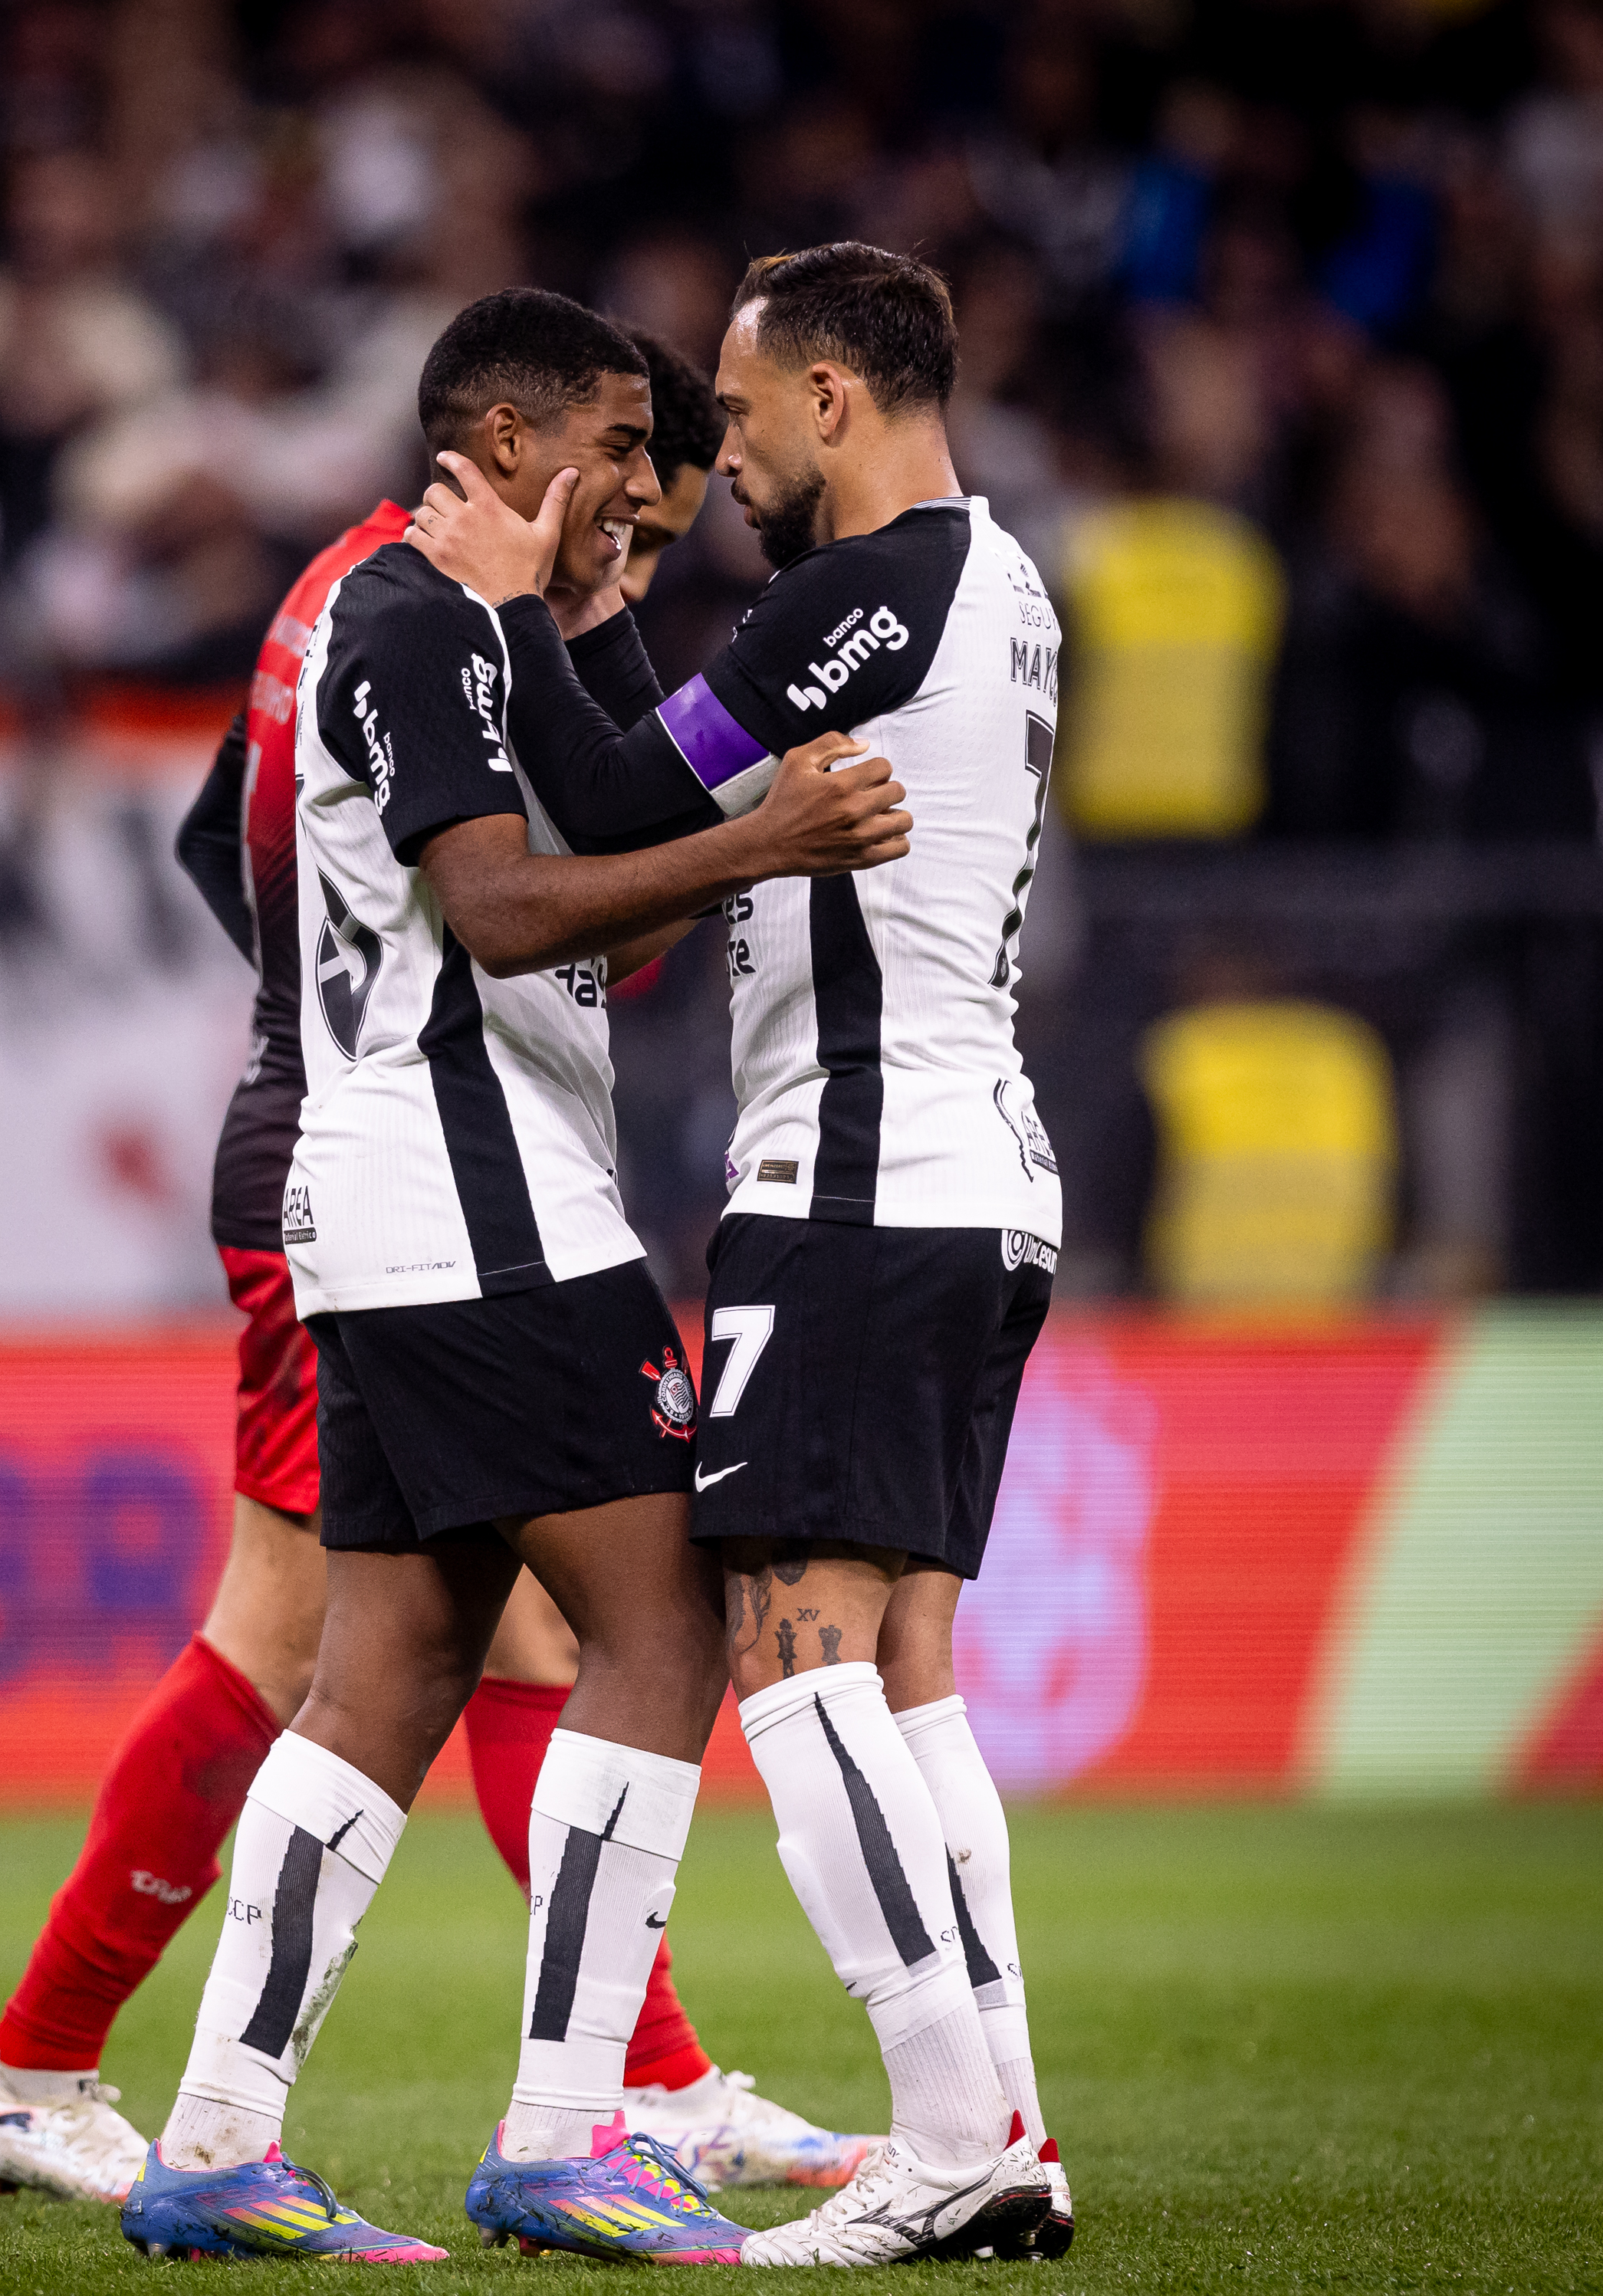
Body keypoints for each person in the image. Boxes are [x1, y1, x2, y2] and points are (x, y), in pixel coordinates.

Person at [0, 328, 875, 2206]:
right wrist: (395, 1017)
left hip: (351, 1139)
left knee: (470, 1638)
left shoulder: (326, 598)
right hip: (425, 1164)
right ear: (525, 441)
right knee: (353, 1635)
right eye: (629, 490)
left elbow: (233, 841)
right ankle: (50, 2060)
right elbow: (529, 907)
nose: (633, 542)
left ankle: (561, 2092)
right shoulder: (432, 615)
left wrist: (336, 999)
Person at [403, 241, 1072, 2265]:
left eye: (745, 399)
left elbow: (605, 803)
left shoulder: (867, 590)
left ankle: (948, 2130)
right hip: (980, 1169)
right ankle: (1008, 2124)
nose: (726, 444)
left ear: (836, 398)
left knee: (790, 1654)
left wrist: (545, 609)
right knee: (915, 1670)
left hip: (860, 1177)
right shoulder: (1006, 582)